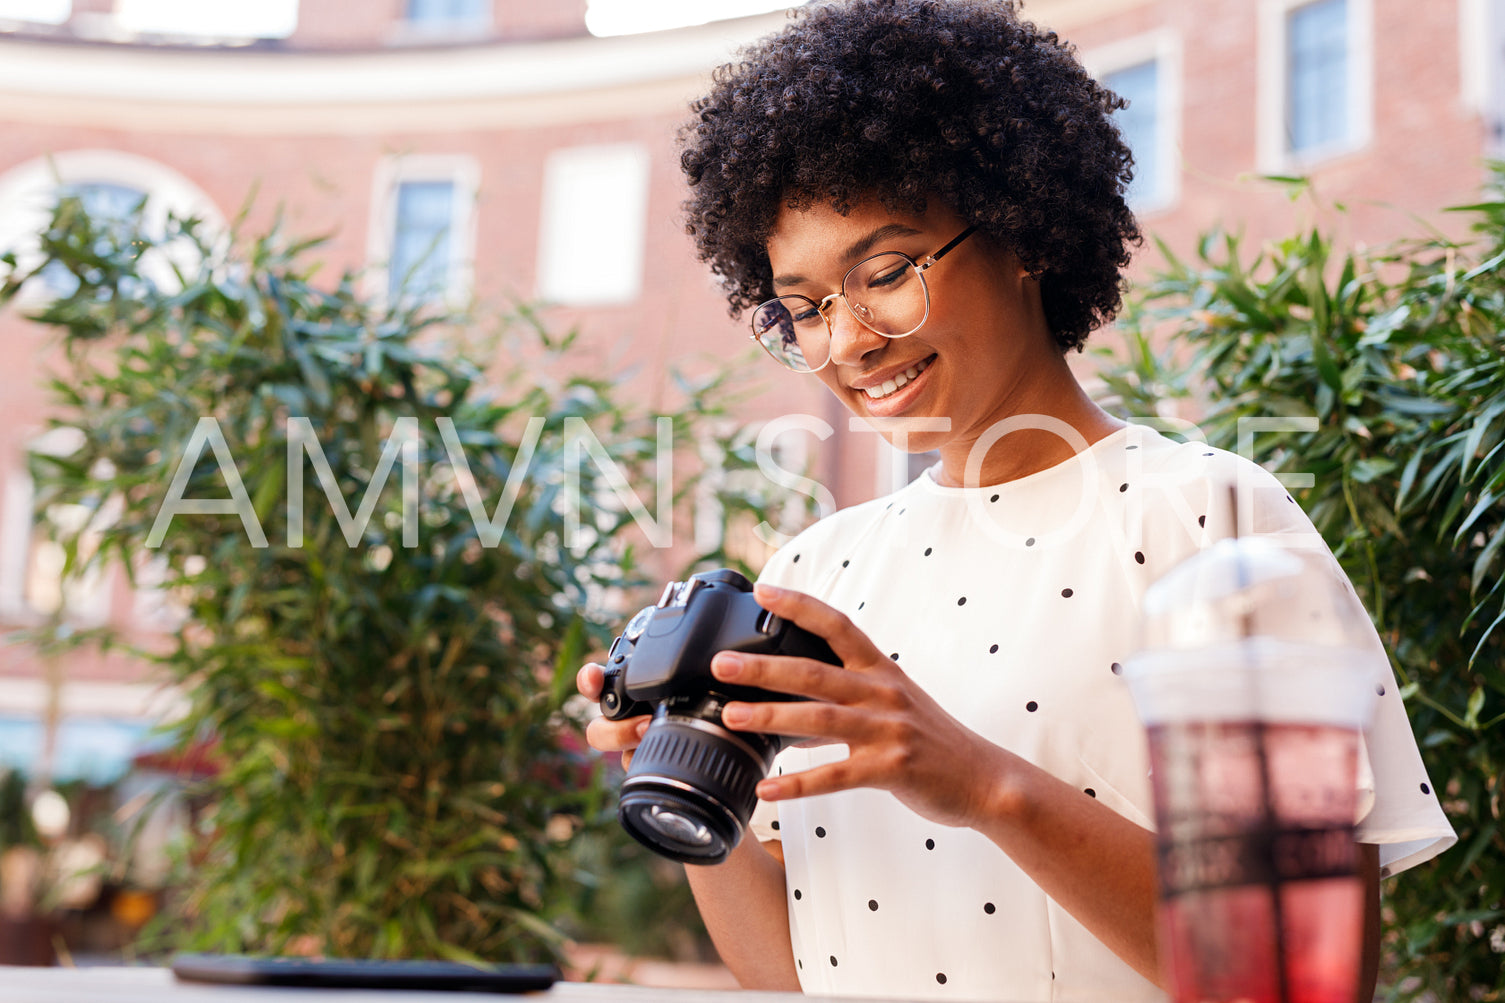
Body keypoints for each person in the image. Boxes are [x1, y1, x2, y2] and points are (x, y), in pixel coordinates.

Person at [577, 1, 1456, 999]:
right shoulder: (810, 577)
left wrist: (988, 787)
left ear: (1021, 233)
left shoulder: (1209, 522)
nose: (848, 341)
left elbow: (1302, 976)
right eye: (804, 307)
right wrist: (678, 774)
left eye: (886, 272)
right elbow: (791, 971)